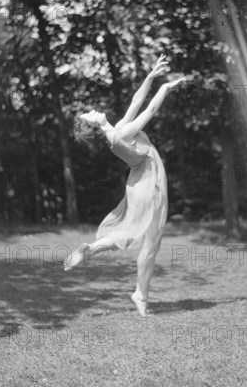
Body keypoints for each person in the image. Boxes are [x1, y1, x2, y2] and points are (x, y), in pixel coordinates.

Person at [63, 55, 186, 317]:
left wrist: (151, 77)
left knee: (131, 230)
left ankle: (94, 250)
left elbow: (136, 102)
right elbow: (149, 111)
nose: (94, 111)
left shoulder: (116, 131)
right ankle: (140, 294)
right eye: (90, 114)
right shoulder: (121, 134)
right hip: (149, 183)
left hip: (140, 182)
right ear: (94, 125)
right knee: (151, 242)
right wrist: (165, 88)